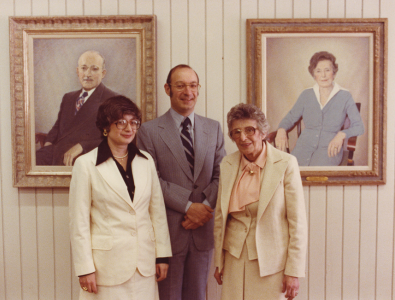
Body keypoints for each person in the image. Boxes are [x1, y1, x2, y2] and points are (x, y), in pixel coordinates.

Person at [137, 64, 225, 300]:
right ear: (168, 89)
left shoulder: (214, 128)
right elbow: (151, 180)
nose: (188, 91)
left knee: (198, 296)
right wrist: (189, 207)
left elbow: (222, 174)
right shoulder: (148, 131)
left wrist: (204, 209)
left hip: (203, 232)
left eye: (193, 85)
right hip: (169, 233)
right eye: (181, 85)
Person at [69, 96, 172, 299]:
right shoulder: (85, 164)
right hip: (106, 267)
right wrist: (84, 268)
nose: (129, 128)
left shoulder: (146, 160)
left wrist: (162, 256)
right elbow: (78, 222)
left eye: (134, 122)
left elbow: (157, 212)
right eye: (121, 122)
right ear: (106, 125)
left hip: (144, 265)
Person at [214, 103, 307, 300]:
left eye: (250, 130)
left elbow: (297, 223)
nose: (243, 137)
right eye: (236, 132)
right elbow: (221, 218)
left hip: (272, 264)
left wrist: (293, 271)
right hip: (234, 259)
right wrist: (219, 262)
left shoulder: (286, 163)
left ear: (263, 132)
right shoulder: (228, 164)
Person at [275, 51, 364, 166]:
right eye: (318, 71)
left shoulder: (345, 96)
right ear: (313, 74)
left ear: (334, 72)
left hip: (330, 149)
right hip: (303, 147)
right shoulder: (306, 95)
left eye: (327, 70)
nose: (323, 75)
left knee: (317, 178)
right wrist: (281, 129)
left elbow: (359, 127)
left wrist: (341, 134)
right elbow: (290, 117)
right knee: (292, 175)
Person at [36, 50, 119, 166]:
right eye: (84, 68)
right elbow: (57, 127)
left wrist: (82, 146)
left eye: (94, 69)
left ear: (103, 73)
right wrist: (48, 146)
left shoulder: (113, 100)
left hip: (83, 158)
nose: (88, 74)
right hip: (55, 153)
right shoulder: (68, 97)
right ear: (77, 71)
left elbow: (115, 140)